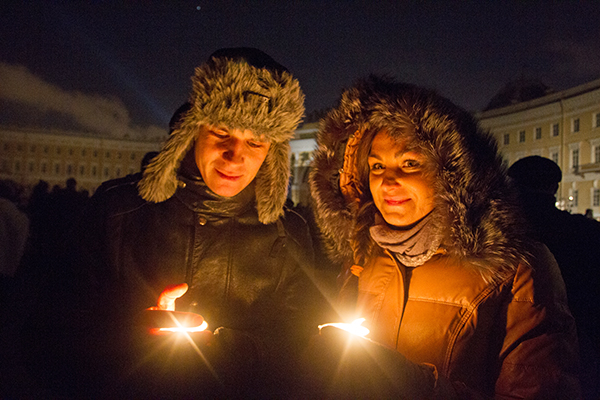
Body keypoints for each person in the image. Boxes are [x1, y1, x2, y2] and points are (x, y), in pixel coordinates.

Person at [30, 47, 321, 399]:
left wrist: (239, 352)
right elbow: (51, 329)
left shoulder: (289, 233)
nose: (235, 156)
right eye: (222, 132)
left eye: (255, 141)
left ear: (272, 152)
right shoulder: (117, 211)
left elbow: (300, 347)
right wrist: (133, 332)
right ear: (192, 130)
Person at [306, 76, 581, 398]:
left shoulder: (516, 269)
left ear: (450, 172)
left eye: (410, 163)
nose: (388, 181)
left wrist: (416, 386)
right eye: (377, 166)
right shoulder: (362, 258)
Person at [508, 155, 600, 399]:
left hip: (516, 353)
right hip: (580, 345)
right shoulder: (585, 232)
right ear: (554, 187)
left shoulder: (499, 236)